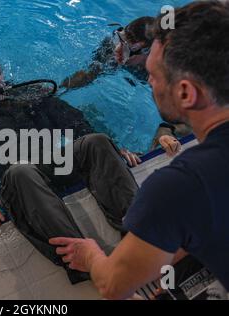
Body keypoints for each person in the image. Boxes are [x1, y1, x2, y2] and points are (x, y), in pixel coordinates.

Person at [49, 0, 229, 298]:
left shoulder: (180, 186)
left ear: (185, 92)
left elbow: (112, 285)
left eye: (154, 74)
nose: (150, 82)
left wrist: (91, 256)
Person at [0, 47, 141, 284]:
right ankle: (82, 264)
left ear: (1, 70)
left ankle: (141, 237)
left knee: (97, 142)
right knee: (20, 169)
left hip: (53, 165)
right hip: (19, 183)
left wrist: (113, 149)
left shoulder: (30, 94)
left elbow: (73, 120)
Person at [61, 16, 192, 157]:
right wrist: (57, 88)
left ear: (149, 52)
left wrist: (168, 129)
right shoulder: (116, 48)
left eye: (127, 50)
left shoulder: (172, 71)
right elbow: (88, 74)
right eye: (119, 39)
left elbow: (197, 116)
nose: (117, 51)